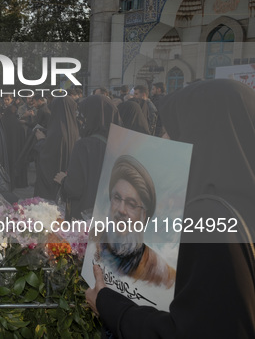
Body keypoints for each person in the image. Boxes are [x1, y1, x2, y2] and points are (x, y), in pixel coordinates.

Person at [86, 79, 255, 338]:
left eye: (171, 130)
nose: (163, 138)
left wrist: (108, 304)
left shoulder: (210, 217)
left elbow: (189, 331)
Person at [94, 155, 175, 288]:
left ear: (144, 215)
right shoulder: (94, 241)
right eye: (116, 198)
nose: (121, 210)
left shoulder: (159, 274)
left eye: (131, 204)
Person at [55, 95, 120, 220]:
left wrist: (63, 180)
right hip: (113, 218)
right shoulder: (122, 144)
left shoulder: (84, 146)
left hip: (86, 219)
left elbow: (74, 189)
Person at [33, 96, 79, 200]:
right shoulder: (74, 128)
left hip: (54, 180)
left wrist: (41, 140)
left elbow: (47, 154)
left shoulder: (57, 129)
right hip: (66, 176)